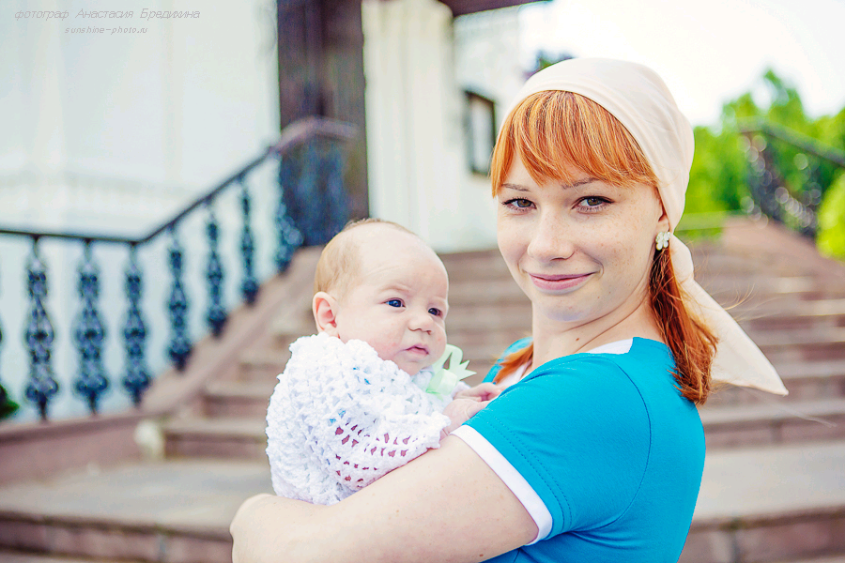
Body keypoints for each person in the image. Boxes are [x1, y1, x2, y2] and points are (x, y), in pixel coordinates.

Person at [231, 58, 787, 563]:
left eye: (591, 200)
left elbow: (299, 555)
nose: (546, 245)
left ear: (663, 209)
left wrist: (255, 515)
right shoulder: (517, 366)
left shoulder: (599, 395)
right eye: (520, 202)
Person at [265, 218, 495, 506]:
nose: (425, 322)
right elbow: (357, 458)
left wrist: (459, 398)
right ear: (330, 317)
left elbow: (421, 396)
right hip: (335, 519)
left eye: (435, 311)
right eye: (396, 303)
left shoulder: (404, 368)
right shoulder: (321, 368)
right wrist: (445, 423)